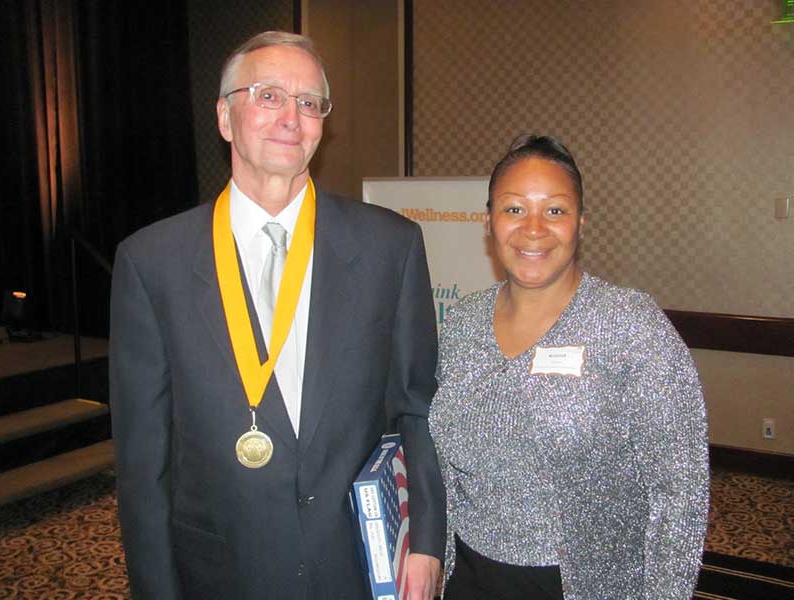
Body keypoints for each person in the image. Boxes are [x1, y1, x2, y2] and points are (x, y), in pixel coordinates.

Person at [110, 31, 444, 600]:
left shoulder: (391, 246)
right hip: (218, 570)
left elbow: (417, 408)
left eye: (310, 102)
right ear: (225, 117)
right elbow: (143, 466)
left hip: (356, 566)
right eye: (268, 95)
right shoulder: (151, 262)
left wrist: (428, 542)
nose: (292, 117)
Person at [428, 135, 709, 599]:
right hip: (469, 576)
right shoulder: (463, 322)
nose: (533, 228)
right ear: (489, 220)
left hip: (583, 584)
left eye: (554, 210)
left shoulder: (629, 325)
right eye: (514, 209)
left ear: (580, 223)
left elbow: (680, 490)